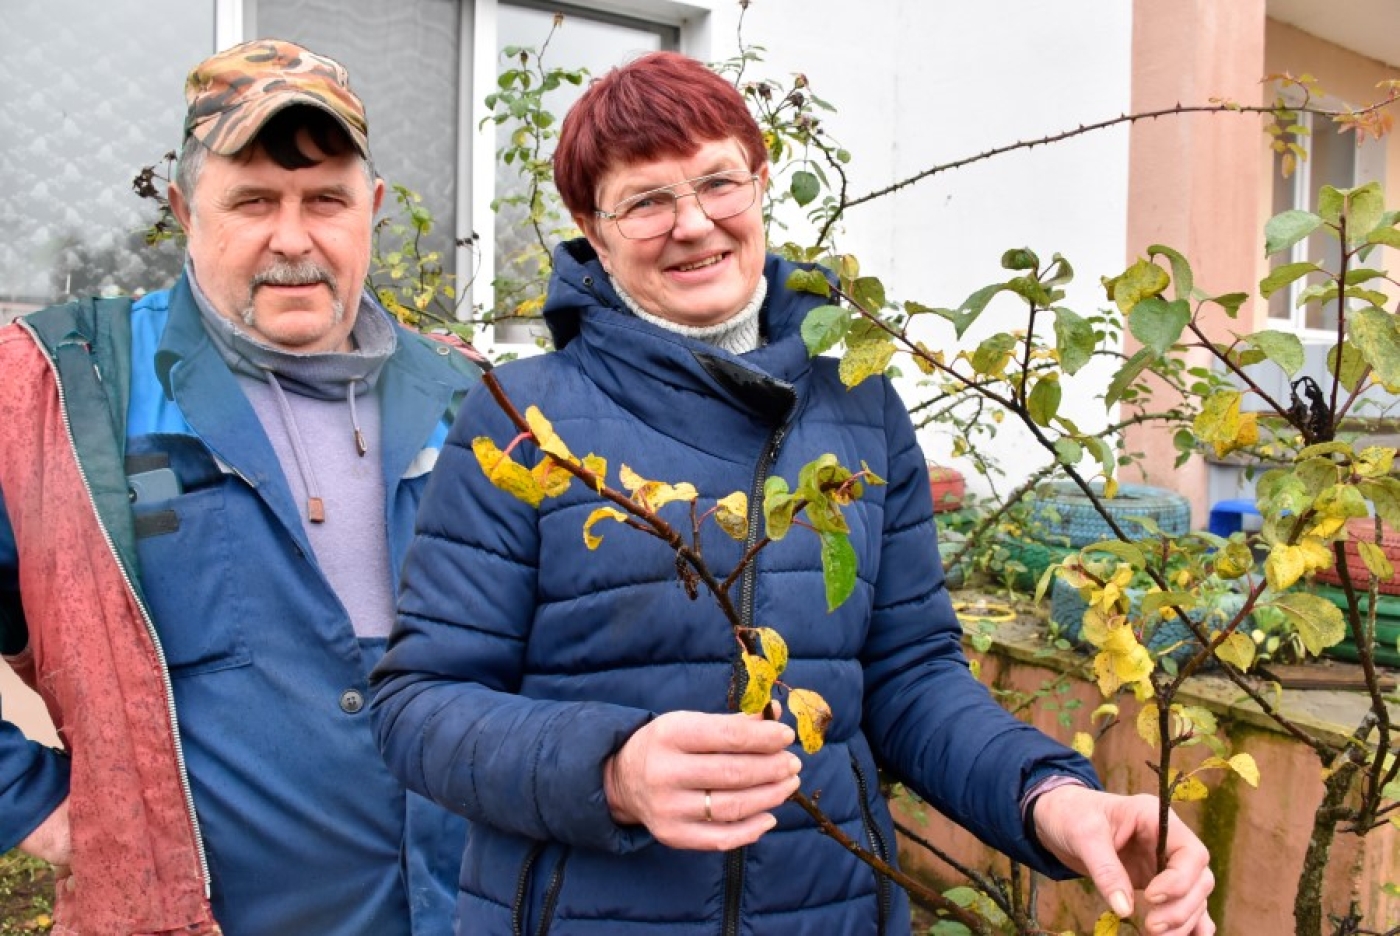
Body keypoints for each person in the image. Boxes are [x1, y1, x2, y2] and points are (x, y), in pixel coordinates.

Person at [371, 51, 1215, 936]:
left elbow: (910, 676)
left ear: (761, 181)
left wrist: (1048, 795)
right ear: (594, 224)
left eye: (718, 183)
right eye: (647, 200)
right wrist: (610, 770)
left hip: (832, 912)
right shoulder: (522, 415)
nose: (694, 224)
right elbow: (419, 705)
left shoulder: (858, 404)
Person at [0, 39, 480, 935]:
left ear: (370, 211)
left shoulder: (469, 399)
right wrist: (27, 805)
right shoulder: (64, 387)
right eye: (253, 201)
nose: (292, 239)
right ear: (186, 210)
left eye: (326, 201)